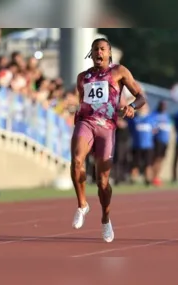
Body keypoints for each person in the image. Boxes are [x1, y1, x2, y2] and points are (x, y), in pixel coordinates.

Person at [71, 38, 146, 242]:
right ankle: (82, 205)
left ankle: (105, 218)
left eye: (102, 49)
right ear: (91, 53)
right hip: (86, 123)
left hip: (107, 128)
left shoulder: (119, 71)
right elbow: (82, 103)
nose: (99, 52)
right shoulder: (82, 78)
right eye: (95, 49)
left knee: (102, 180)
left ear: (109, 52)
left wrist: (132, 107)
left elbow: (141, 96)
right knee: (77, 160)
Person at [127, 103, 154, 186]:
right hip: (137, 145)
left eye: (145, 107)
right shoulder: (134, 118)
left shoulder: (151, 118)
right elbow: (130, 128)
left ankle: (148, 180)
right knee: (135, 164)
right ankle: (133, 180)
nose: (143, 109)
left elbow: (154, 129)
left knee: (148, 164)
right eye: (142, 107)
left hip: (148, 146)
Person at [151, 101, 171, 186]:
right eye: (162, 105)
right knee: (156, 159)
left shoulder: (167, 116)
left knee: (161, 159)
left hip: (165, 141)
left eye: (165, 106)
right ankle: (153, 177)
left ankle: (157, 176)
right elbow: (152, 127)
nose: (163, 107)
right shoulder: (154, 115)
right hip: (157, 141)